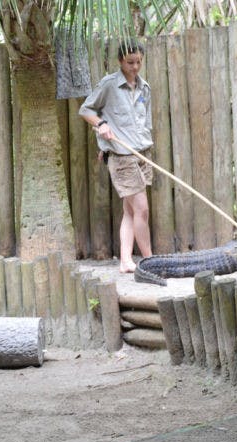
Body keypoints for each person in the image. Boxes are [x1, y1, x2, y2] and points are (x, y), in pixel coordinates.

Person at [79, 38, 154, 273]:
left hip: (142, 153)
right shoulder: (109, 85)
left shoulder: (145, 88)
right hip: (122, 156)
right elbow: (86, 109)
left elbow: (145, 123)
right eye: (130, 62)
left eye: (138, 62)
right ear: (121, 60)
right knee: (142, 209)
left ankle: (125, 261)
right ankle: (152, 263)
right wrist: (101, 125)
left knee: (131, 211)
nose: (134, 67)